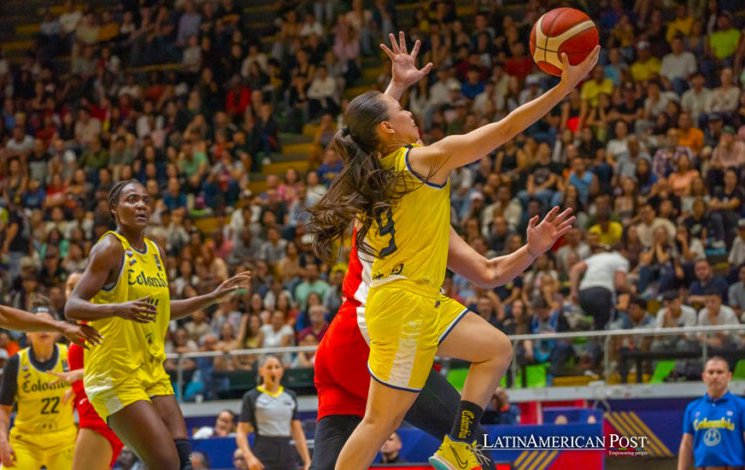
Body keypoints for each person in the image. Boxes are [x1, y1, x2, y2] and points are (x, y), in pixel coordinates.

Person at [308, 28, 598, 469]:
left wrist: (396, 87)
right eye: (404, 111)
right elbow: (506, 128)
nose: (412, 116)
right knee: (378, 423)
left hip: (420, 298)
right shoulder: (423, 161)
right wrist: (565, 85)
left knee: (497, 348)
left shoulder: (372, 175)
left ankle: (459, 445)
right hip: (400, 302)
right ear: (389, 129)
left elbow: (367, 132)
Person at [64, 179, 250, 470]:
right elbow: (71, 306)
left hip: (151, 370)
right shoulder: (109, 249)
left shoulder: (156, 252)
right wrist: (118, 309)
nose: (141, 205)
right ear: (114, 208)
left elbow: (162, 310)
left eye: (146, 200)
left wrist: (212, 298)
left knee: (185, 462)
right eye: (132, 199)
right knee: (166, 463)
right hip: (114, 373)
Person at [0, 304, 77, 470]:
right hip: (25, 442)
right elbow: (3, 408)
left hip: (64, 441)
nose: (43, 329)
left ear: (57, 331)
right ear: (27, 333)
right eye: (37, 324)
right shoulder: (16, 362)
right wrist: (3, 441)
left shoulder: (70, 354)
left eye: (48, 324)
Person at [55, 273, 124, 470]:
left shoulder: (101, 324)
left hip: (99, 413)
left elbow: (119, 365)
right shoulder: (82, 326)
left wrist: (80, 374)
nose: (72, 291)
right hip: (90, 408)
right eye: (69, 287)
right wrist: (74, 388)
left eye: (79, 286)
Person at [236, 355, 311, 470]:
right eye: (269, 367)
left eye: (277, 367)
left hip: (287, 451)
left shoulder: (290, 396)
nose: (273, 371)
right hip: (263, 451)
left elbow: (297, 431)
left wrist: (307, 460)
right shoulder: (251, 396)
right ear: (261, 371)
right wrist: (249, 457)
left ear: (282, 371)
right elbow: (241, 432)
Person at [678, 357, 745, 470]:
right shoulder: (693, 408)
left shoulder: (741, 406)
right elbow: (687, 444)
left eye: (719, 372)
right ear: (704, 376)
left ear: (729, 376)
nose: (715, 376)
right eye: (711, 372)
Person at [569, 244, 630, 330]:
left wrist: (573, 291)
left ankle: (590, 332)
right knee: (607, 326)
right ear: (623, 251)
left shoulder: (596, 257)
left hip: (583, 294)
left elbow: (575, 269)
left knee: (595, 322)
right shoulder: (621, 260)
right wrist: (632, 292)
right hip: (602, 294)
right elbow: (620, 284)